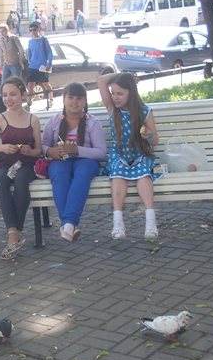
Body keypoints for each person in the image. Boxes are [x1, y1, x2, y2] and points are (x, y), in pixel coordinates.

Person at [0, 76, 42, 260]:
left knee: (21, 179)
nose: (8, 99)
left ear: (23, 95)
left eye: (13, 94)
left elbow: (39, 150)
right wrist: (0, 147)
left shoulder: (32, 119)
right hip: (5, 162)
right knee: (0, 178)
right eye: (4, 95)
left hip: (26, 163)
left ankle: (14, 234)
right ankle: (13, 231)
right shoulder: (0, 119)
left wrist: (30, 151)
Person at [97, 72, 161, 240]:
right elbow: (101, 81)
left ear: (131, 93)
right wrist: (123, 74)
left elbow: (155, 141)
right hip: (119, 154)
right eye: (113, 93)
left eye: (120, 93)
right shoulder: (113, 109)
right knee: (118, 175)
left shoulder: (144, 111)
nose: (115, 97)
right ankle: (118, 223)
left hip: (140, 153)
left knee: (144, 175)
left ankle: (150, 221)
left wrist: (149, 134)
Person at [41, 83, 106, 242]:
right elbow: (43, 145)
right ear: (63, 99)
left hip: (86, 161)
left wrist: (77, 150)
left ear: (85, 101)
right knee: (59, 174)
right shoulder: (54, 121)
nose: (74, 102)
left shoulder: (92, 122)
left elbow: (101, 152)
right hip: (60, 160)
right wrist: (50, 151)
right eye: (70, 97)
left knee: (82, 174)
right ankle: (69, 225)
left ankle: (67, 223)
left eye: (79, 98)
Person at [25, 22, 53, 109]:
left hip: (42, 67)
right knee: (30, 84)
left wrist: (49, 63)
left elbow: (49, 53)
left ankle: (50, 99)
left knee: (45, 84)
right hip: (32, 67)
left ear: (38, 29)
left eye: (34, 30)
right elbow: (29, 53)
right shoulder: (30, 41)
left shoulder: (43, 40)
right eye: (30, 30)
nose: (32, 32)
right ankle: (29, 101)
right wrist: (30, 62)